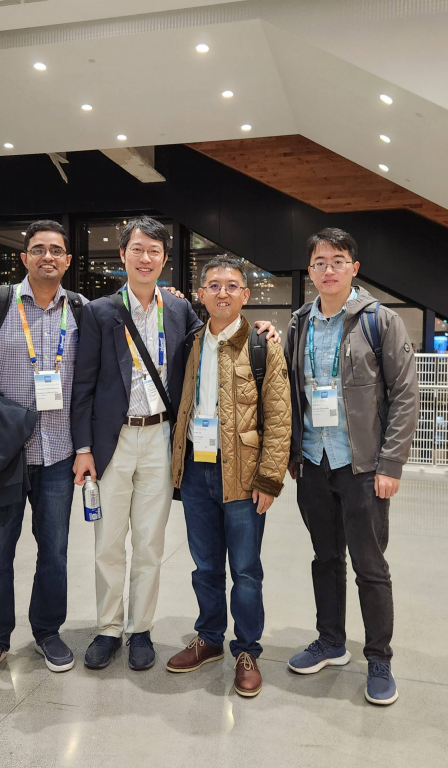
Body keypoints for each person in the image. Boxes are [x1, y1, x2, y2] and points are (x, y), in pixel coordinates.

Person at [71, 217, 279, 672]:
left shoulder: (180, 310)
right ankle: (108, 628)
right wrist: (83, 448)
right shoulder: (100, 311)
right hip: (114, 441)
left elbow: (224, 333)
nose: (146, 259)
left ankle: (140, 629)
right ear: (123, 254)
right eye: (137, 250)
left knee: (149, 542)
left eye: (155, 252)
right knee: (108, 541)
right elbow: (81, 385)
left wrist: (265, 328)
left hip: (165, 438)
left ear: (165, 260)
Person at [283, 227, 418, 706]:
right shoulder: (299, 322)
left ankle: (379, 658)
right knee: (325, 558)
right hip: (314, 461)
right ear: (311, 270)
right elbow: (287, 392)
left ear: (354, 268)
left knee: (370, 566)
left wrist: (391, 464)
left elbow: (404, 397)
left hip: (361, 465)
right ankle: (331, 641)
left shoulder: (380, 320)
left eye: (337, 260)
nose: (328, 270)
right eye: (319, 262)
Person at [0, 220, 85, 683]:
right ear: (25, 257)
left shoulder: (83, 311)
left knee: (54, 551)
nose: (47, 256)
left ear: (68, 261)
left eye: (56, 250)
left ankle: (48, 631)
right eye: (38, 249)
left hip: (58, 455)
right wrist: (0, 416)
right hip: (2, 456)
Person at [165, 256, 290, 698]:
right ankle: (210, 638)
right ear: (200, 295)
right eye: (213, 285)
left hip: (244, 474)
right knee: (204, 566)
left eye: (232, 285)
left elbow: (278, 416)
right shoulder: (191, 343)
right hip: (197, 471)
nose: (222, 292)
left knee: (246, 570)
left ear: (245, 295)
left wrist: (269, 479)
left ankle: (247, 650)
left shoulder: (263, 345)